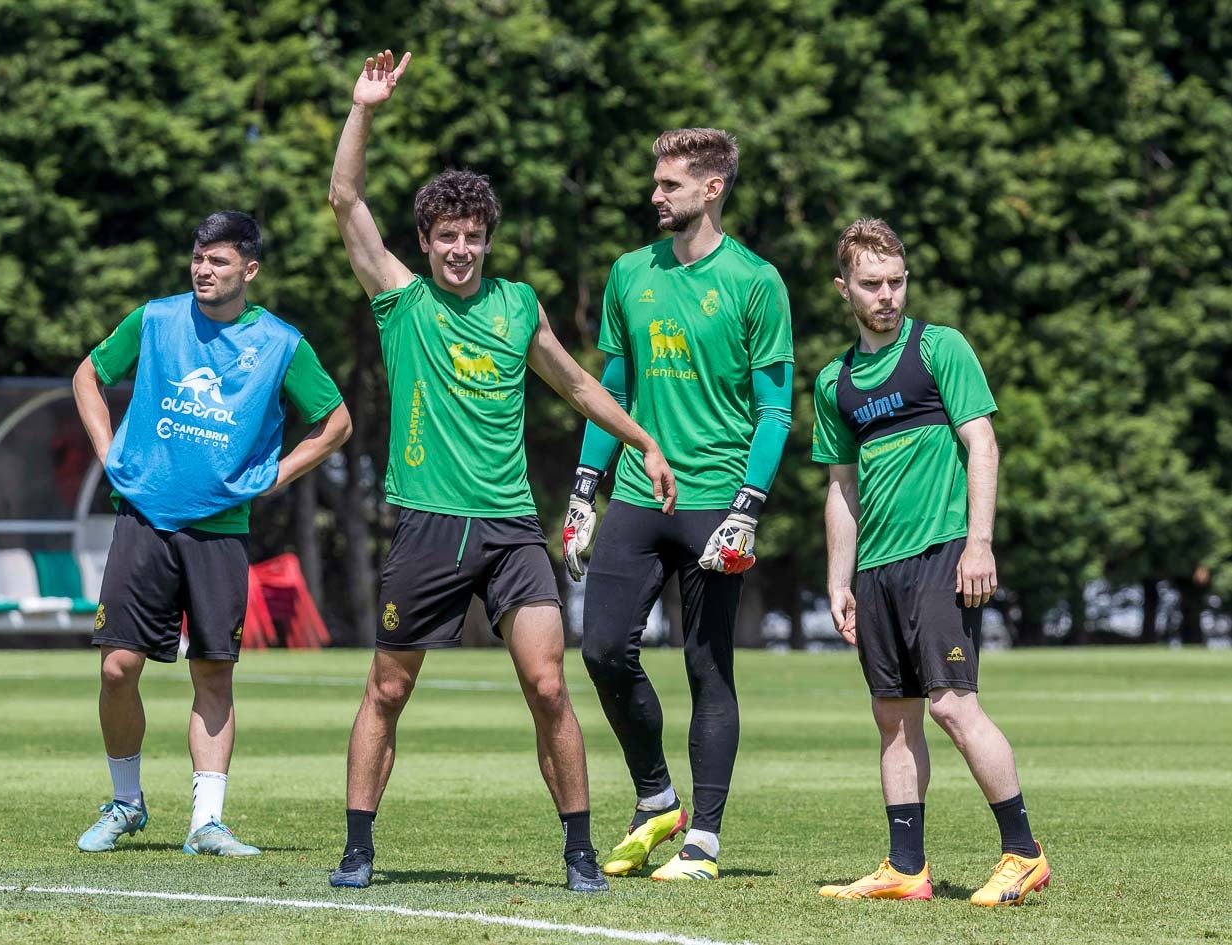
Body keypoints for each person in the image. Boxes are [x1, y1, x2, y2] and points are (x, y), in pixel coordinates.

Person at [326, 49, 678, 894]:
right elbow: (344, 198)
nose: (460, 250)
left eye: (472, 237)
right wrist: (364, 108)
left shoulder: (518, 304)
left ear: (487, 240)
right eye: (446, 237)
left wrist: (642, 441)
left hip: (511, 527)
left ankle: (579, 850)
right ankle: (358, 845)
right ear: (425, 242)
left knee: (549, 683)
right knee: (387, 685)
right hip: (427, 524)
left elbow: (580, 382)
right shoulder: (401, 300)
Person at [71, 211, 352, 857]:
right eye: (199, 257)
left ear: (248, 270)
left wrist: (271, 477)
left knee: (213, 673)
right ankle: (125, 803)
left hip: (220, 531)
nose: (204, 269)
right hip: (143, 517)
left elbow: (334, 424)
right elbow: (88, 374)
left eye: (219, 260)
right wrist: (108, 449)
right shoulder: (157, 318)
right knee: (118, 667)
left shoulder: (281, 343)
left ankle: (207, 822)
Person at [562, 128, 794, 882]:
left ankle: (704, 841)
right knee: (599, 649)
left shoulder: (757, 281)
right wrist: (581, 490)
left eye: (668, 184)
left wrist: (747, 507)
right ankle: (657, 795)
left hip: (715, 501)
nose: (654, 195)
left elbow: (774, 411)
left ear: (711, 187)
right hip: (635, 491)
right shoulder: (629, 272)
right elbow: (612, 392)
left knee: (706, 665)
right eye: (656, 182)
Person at [812, 218, 1050, 905]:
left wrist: (978, 541)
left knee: (951, 705)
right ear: (843, 288)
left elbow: (982, 443)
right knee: (893, 715)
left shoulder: (938, 348)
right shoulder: (835, 381)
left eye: (895, 282)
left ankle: (1022, 851)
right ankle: (904, 867)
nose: (886, 295)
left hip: (939, 552)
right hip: (875, 569)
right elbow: (840, 487)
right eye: (870, 284)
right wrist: (838, 579)